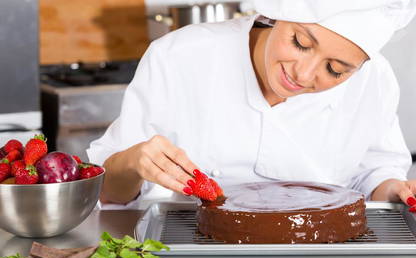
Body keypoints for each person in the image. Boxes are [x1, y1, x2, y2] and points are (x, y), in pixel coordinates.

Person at [87, 0, 416, 210]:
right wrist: (131, 162)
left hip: (321, 255)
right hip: (189, 252)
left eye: (335, 70)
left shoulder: (376, 80)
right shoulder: (180, 56)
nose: (303, 74)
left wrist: (395, 191)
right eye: (300, 43)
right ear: (280, 13)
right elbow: (108, 195)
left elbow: (375, 173)